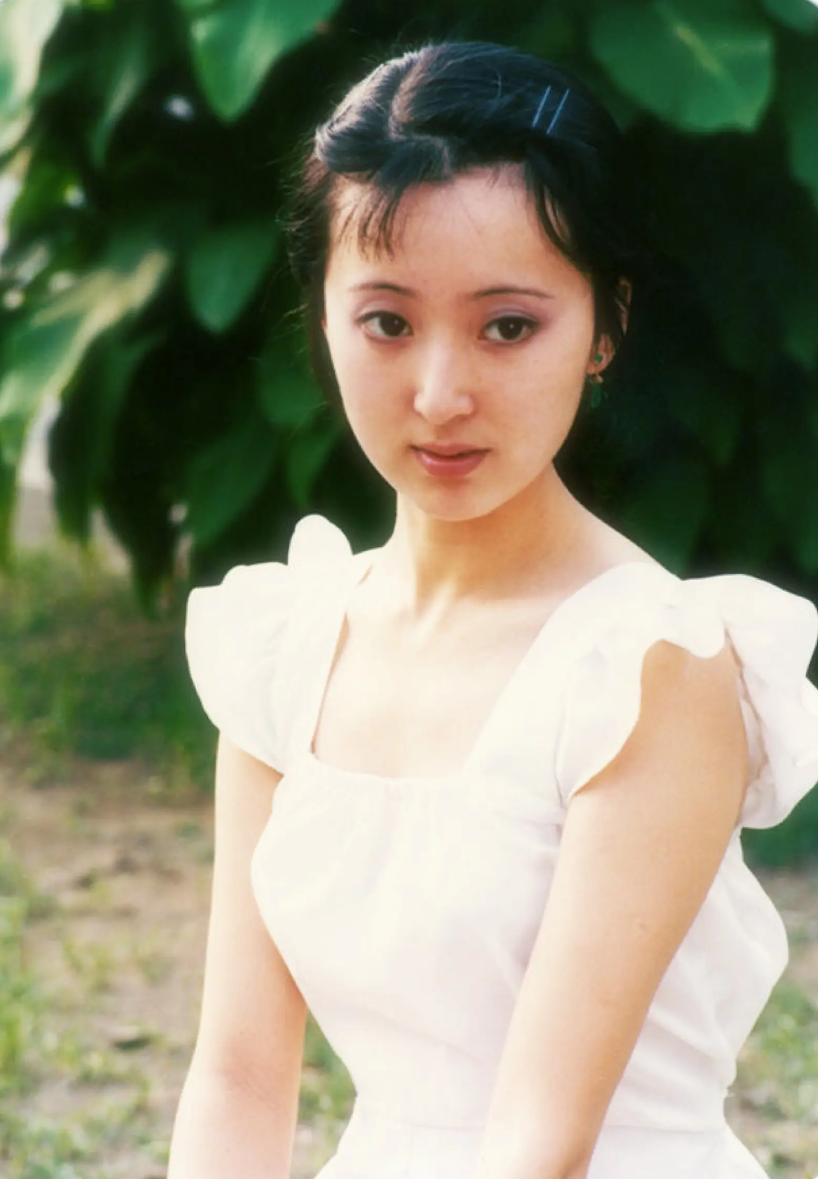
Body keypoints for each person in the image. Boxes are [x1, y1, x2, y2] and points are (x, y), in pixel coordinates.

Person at [169, 40, 818, 1179]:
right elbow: (238, 1076)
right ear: (322, 317)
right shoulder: (282, 644)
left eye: (507, 326)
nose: (439, 395)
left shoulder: (648, 666)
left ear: (603, 328)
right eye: (387, 322)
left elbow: (541, 1143)